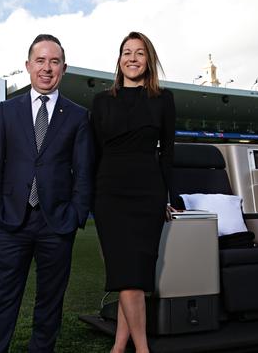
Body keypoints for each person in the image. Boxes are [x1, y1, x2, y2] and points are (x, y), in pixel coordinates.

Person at [0, 34, 93, 353]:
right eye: (41, 61)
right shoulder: (6, 110)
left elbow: (84, 173)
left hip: (56, 224)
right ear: (28, 66)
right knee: (2, 298)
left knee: (50, 302)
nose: (47, 68)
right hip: (11, 222)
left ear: (64, 68)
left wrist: (75, 217)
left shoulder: (77, 115)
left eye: (54, 61)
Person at [90, 31, 176, 353]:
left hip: (148, 194)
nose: (132, 58)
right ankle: (142, 349)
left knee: (136, 274)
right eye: (127, 52)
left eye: (139, 53)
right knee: (126, 273)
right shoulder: (101, 101)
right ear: (119, 59)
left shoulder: (163, 100)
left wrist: (171, 196)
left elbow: (167, 152)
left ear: (148, 59)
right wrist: (90, 199)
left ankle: (119, 345)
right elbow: (94, 155)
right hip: (110, 195)